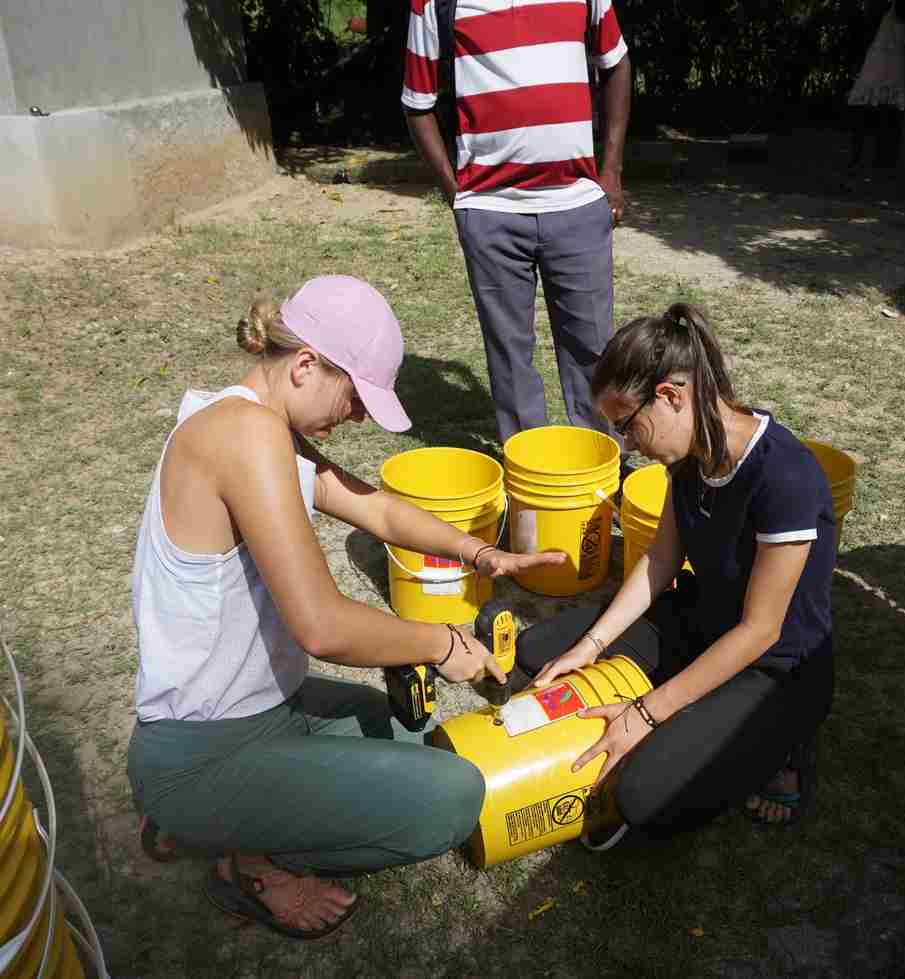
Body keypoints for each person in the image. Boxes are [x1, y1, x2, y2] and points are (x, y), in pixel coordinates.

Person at [126, 275, 564, 940]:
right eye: (356, 396)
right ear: (305, 365)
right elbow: (321, 624)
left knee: (405, 726)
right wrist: (440, 643)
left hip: (264, 710)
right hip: (202, 750)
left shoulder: (251, 420)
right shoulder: (245, 435)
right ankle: (245, 860)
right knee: (451, 798)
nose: (357, 415)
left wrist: (480, 554)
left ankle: (218, 818)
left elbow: (375, 507)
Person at [514, 303, 836, 838]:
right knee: (540, 654)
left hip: (775, 667)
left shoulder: (785, 475)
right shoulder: (687, 456)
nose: (627, 445)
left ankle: (787, 745)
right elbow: (661, 561)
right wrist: (590, 648)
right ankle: (687, 703)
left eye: (626, 426)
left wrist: (645, 713)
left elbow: (762, 630)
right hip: (702, 622)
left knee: (644, 799)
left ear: (671, 396)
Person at [401, 0, 632, 447]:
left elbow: (617, 64)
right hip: (491, 215)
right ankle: (531, 479)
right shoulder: (432, 3)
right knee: (509, 358)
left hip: (578, 206)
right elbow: (417, 104)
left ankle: (603, 474)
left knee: (595, 352)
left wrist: (613, 170)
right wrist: (459, 195)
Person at [847, 0, 905, 170]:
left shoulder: (889, 10)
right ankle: (874, 160)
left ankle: (863, 159)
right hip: (890, 66)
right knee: (882, 115)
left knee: (867, 113)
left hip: (880, 64)